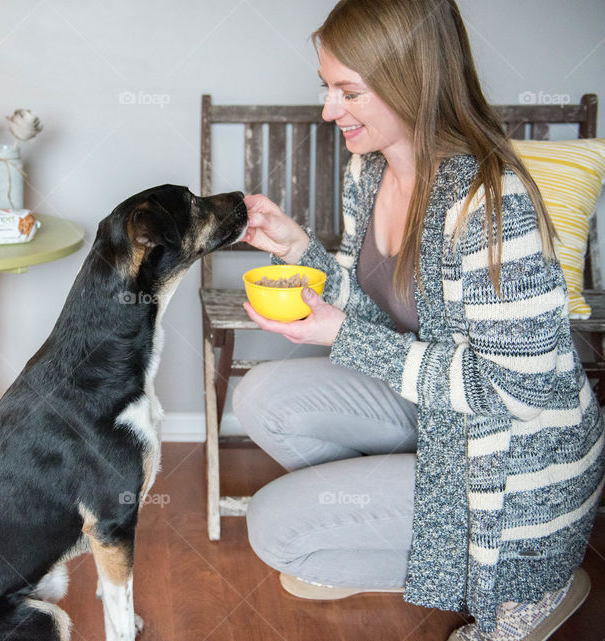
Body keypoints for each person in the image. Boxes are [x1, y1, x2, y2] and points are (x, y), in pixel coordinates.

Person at [234, 0, 603, 639]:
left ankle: (530, 587)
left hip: (511, 464)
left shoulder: (491, 206)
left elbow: (517, 390)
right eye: (326, 87)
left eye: (348, 91)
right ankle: (399, 532)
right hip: (438, 414)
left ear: (414, 83)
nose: (328, 110)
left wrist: (342, 338)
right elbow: (377, 303)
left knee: (274, 527)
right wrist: (302, 251)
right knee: (261, 395)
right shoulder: (367, 170)